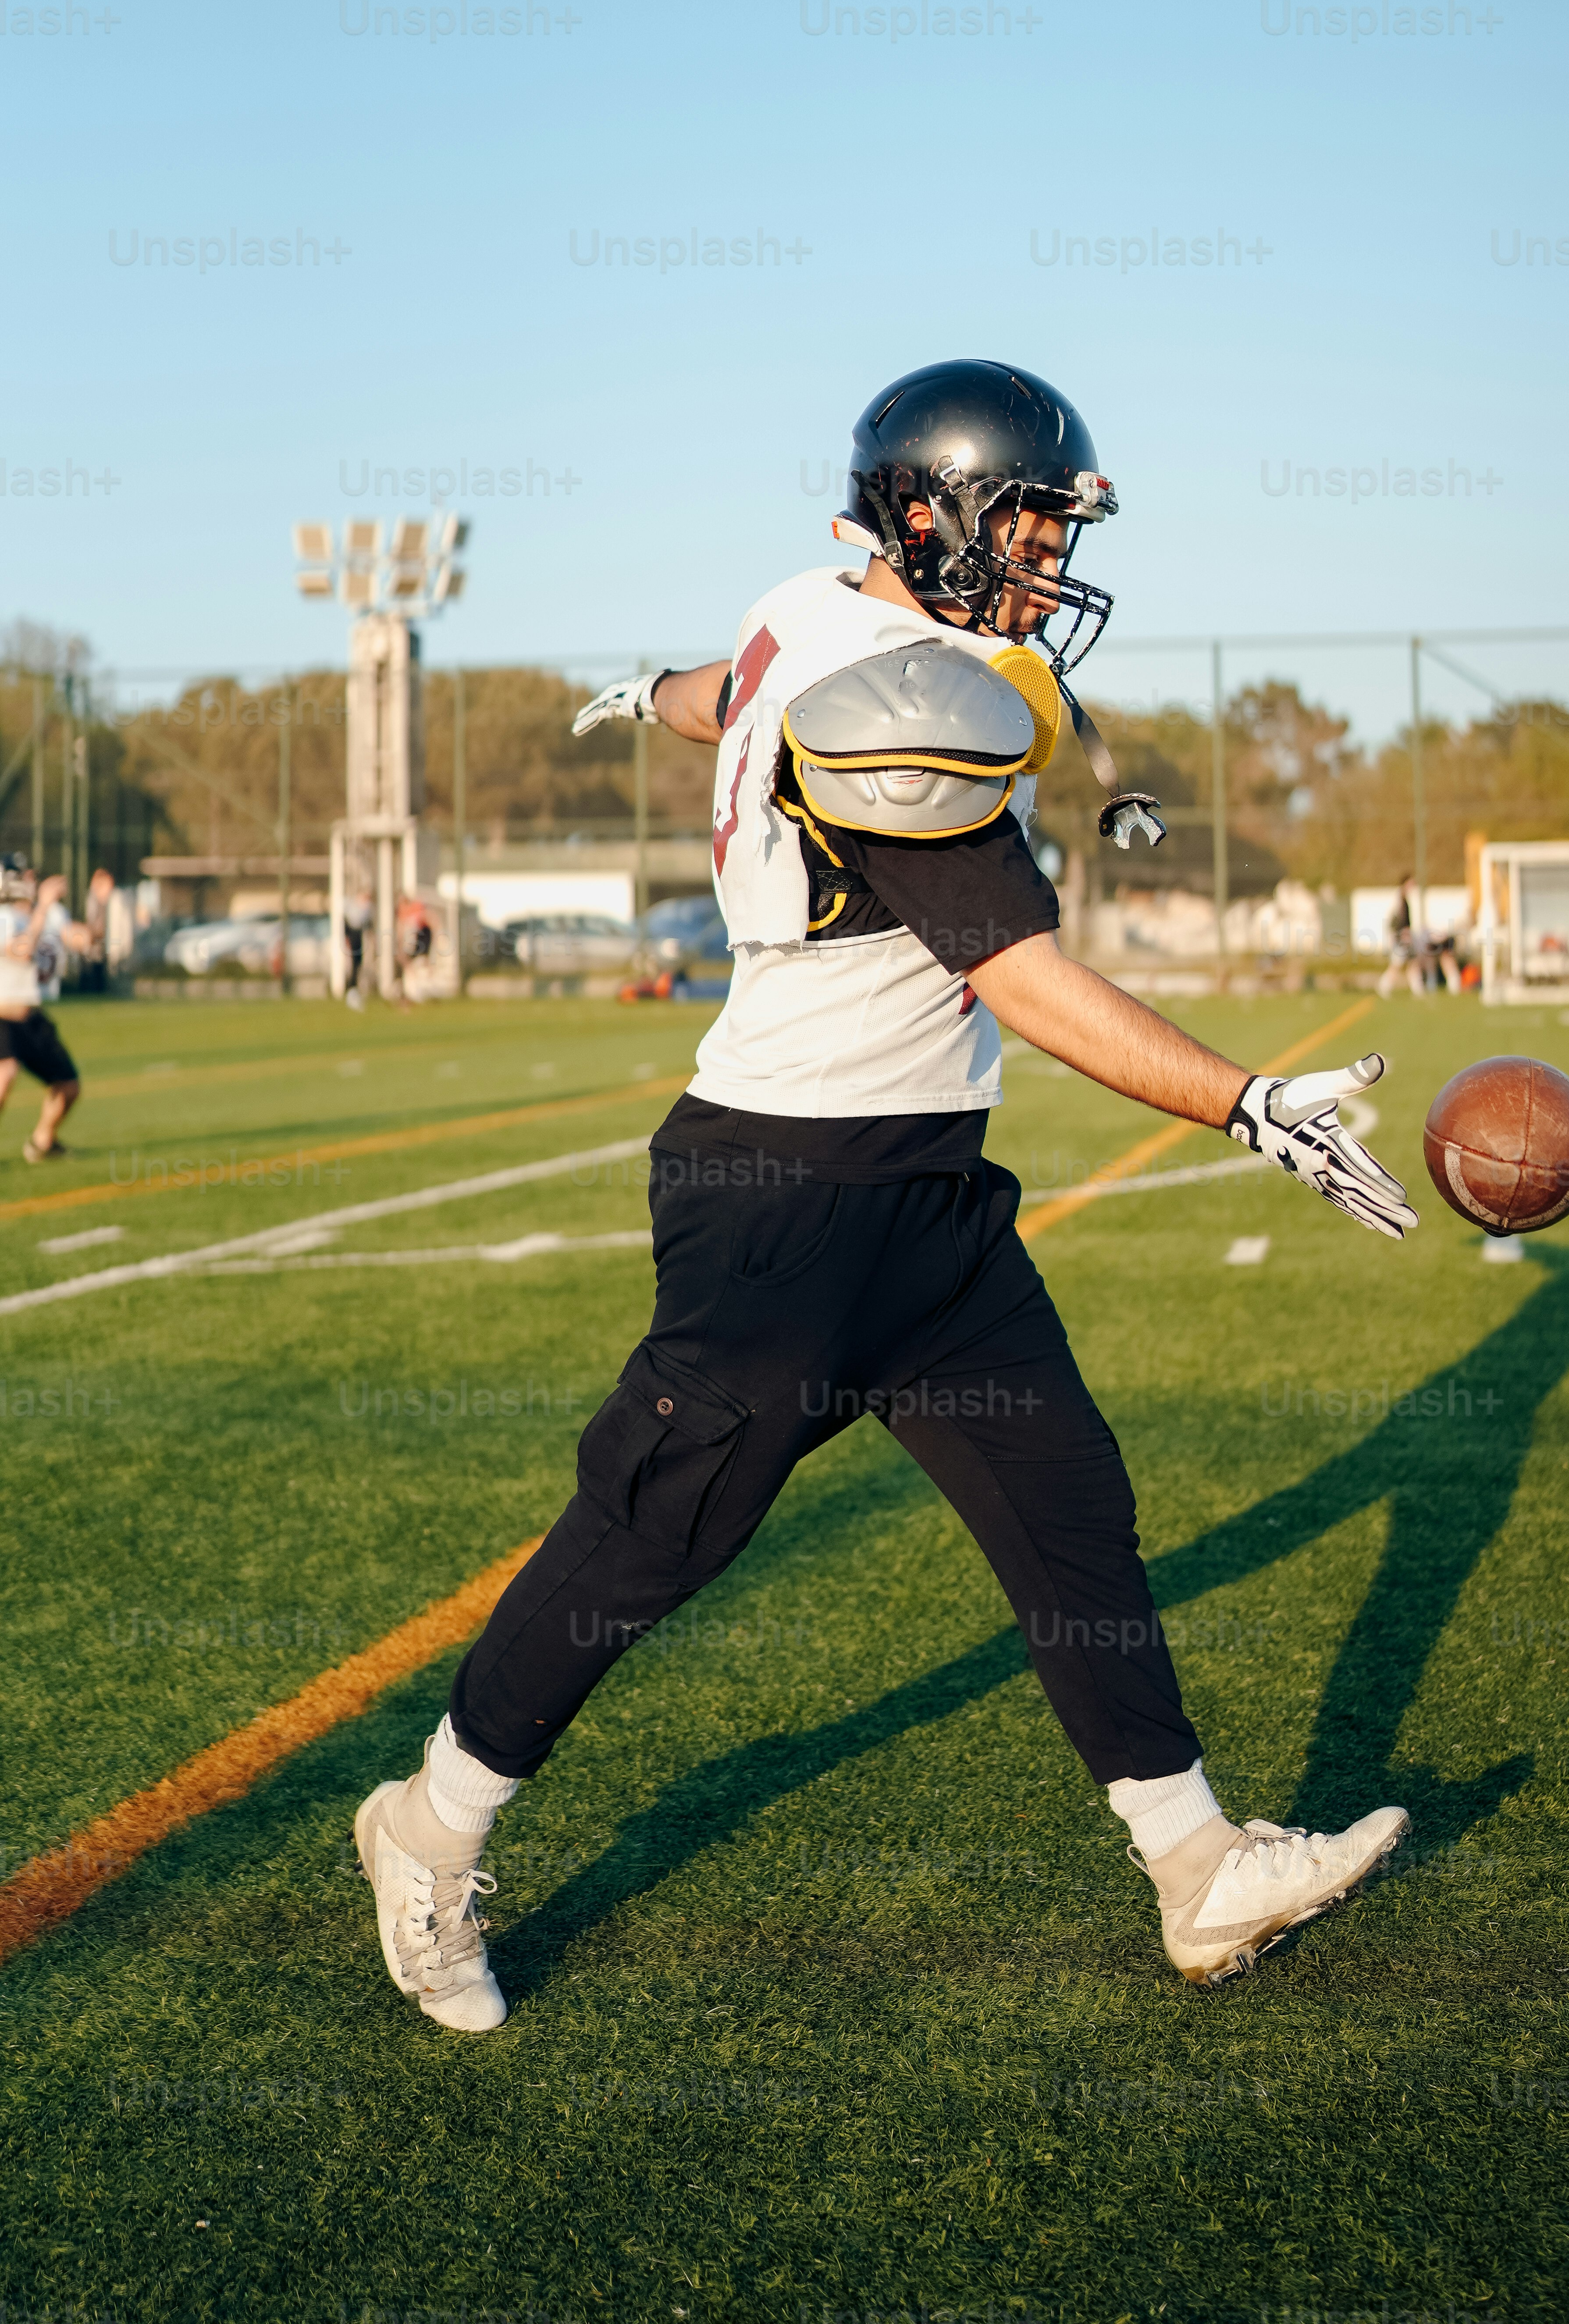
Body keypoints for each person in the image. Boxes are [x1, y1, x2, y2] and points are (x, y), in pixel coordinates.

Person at [354, 360, 1420, 2033]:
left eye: (1060, 527)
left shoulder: (811, 606)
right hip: (784, 1194)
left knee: (1067, 1504)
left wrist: (648, 690)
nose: (1052, 563)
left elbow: (734, 681)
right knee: (651, 1539)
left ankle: (1196, 1868)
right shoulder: (898, 709)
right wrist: (1246, 1103)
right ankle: (423, 1831)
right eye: (1030, 523)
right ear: (925, 515)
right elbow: (1020, 976)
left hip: (926, 1196)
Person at [0, 858, 101, 1163]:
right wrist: (42, 908)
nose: (32, 878)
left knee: (68, 1087)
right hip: (1, 1014)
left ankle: (43, 1142)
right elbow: (21, 952)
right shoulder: (4, 917)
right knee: (5, 1074)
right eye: (25, 874)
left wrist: (99, 902)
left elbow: (87, 940)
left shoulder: (53, 914)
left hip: (32, 1016)